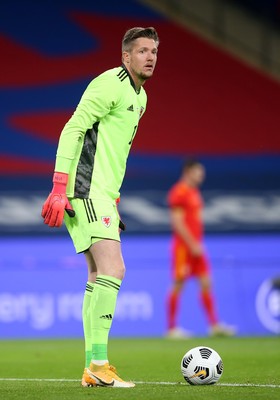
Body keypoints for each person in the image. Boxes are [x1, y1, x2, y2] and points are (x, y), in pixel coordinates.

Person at [41, 27, 159, 388]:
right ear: (126, 56)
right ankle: (99, 364)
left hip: (102, 194)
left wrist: (114, 198)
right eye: (142, 51)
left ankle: (93, 366)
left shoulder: (140, 98)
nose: (150, 57)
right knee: (114, 268)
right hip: (83, 190)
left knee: (97, 276)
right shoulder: (109, 83)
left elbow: (113, 151)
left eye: (154, 51)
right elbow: (73, 128)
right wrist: (59, 186)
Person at [166, 159, 235, 338]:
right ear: (188, 171)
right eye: (198, 172)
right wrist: (192, 244)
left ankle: (214, 325)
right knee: (178, 284)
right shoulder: (179, 192)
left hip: (197, 247)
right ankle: (172, 329)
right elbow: (178, 223)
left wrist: (197, 244)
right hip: (184, 247)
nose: (201, 175)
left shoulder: (194, 192)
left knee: (206, 282)